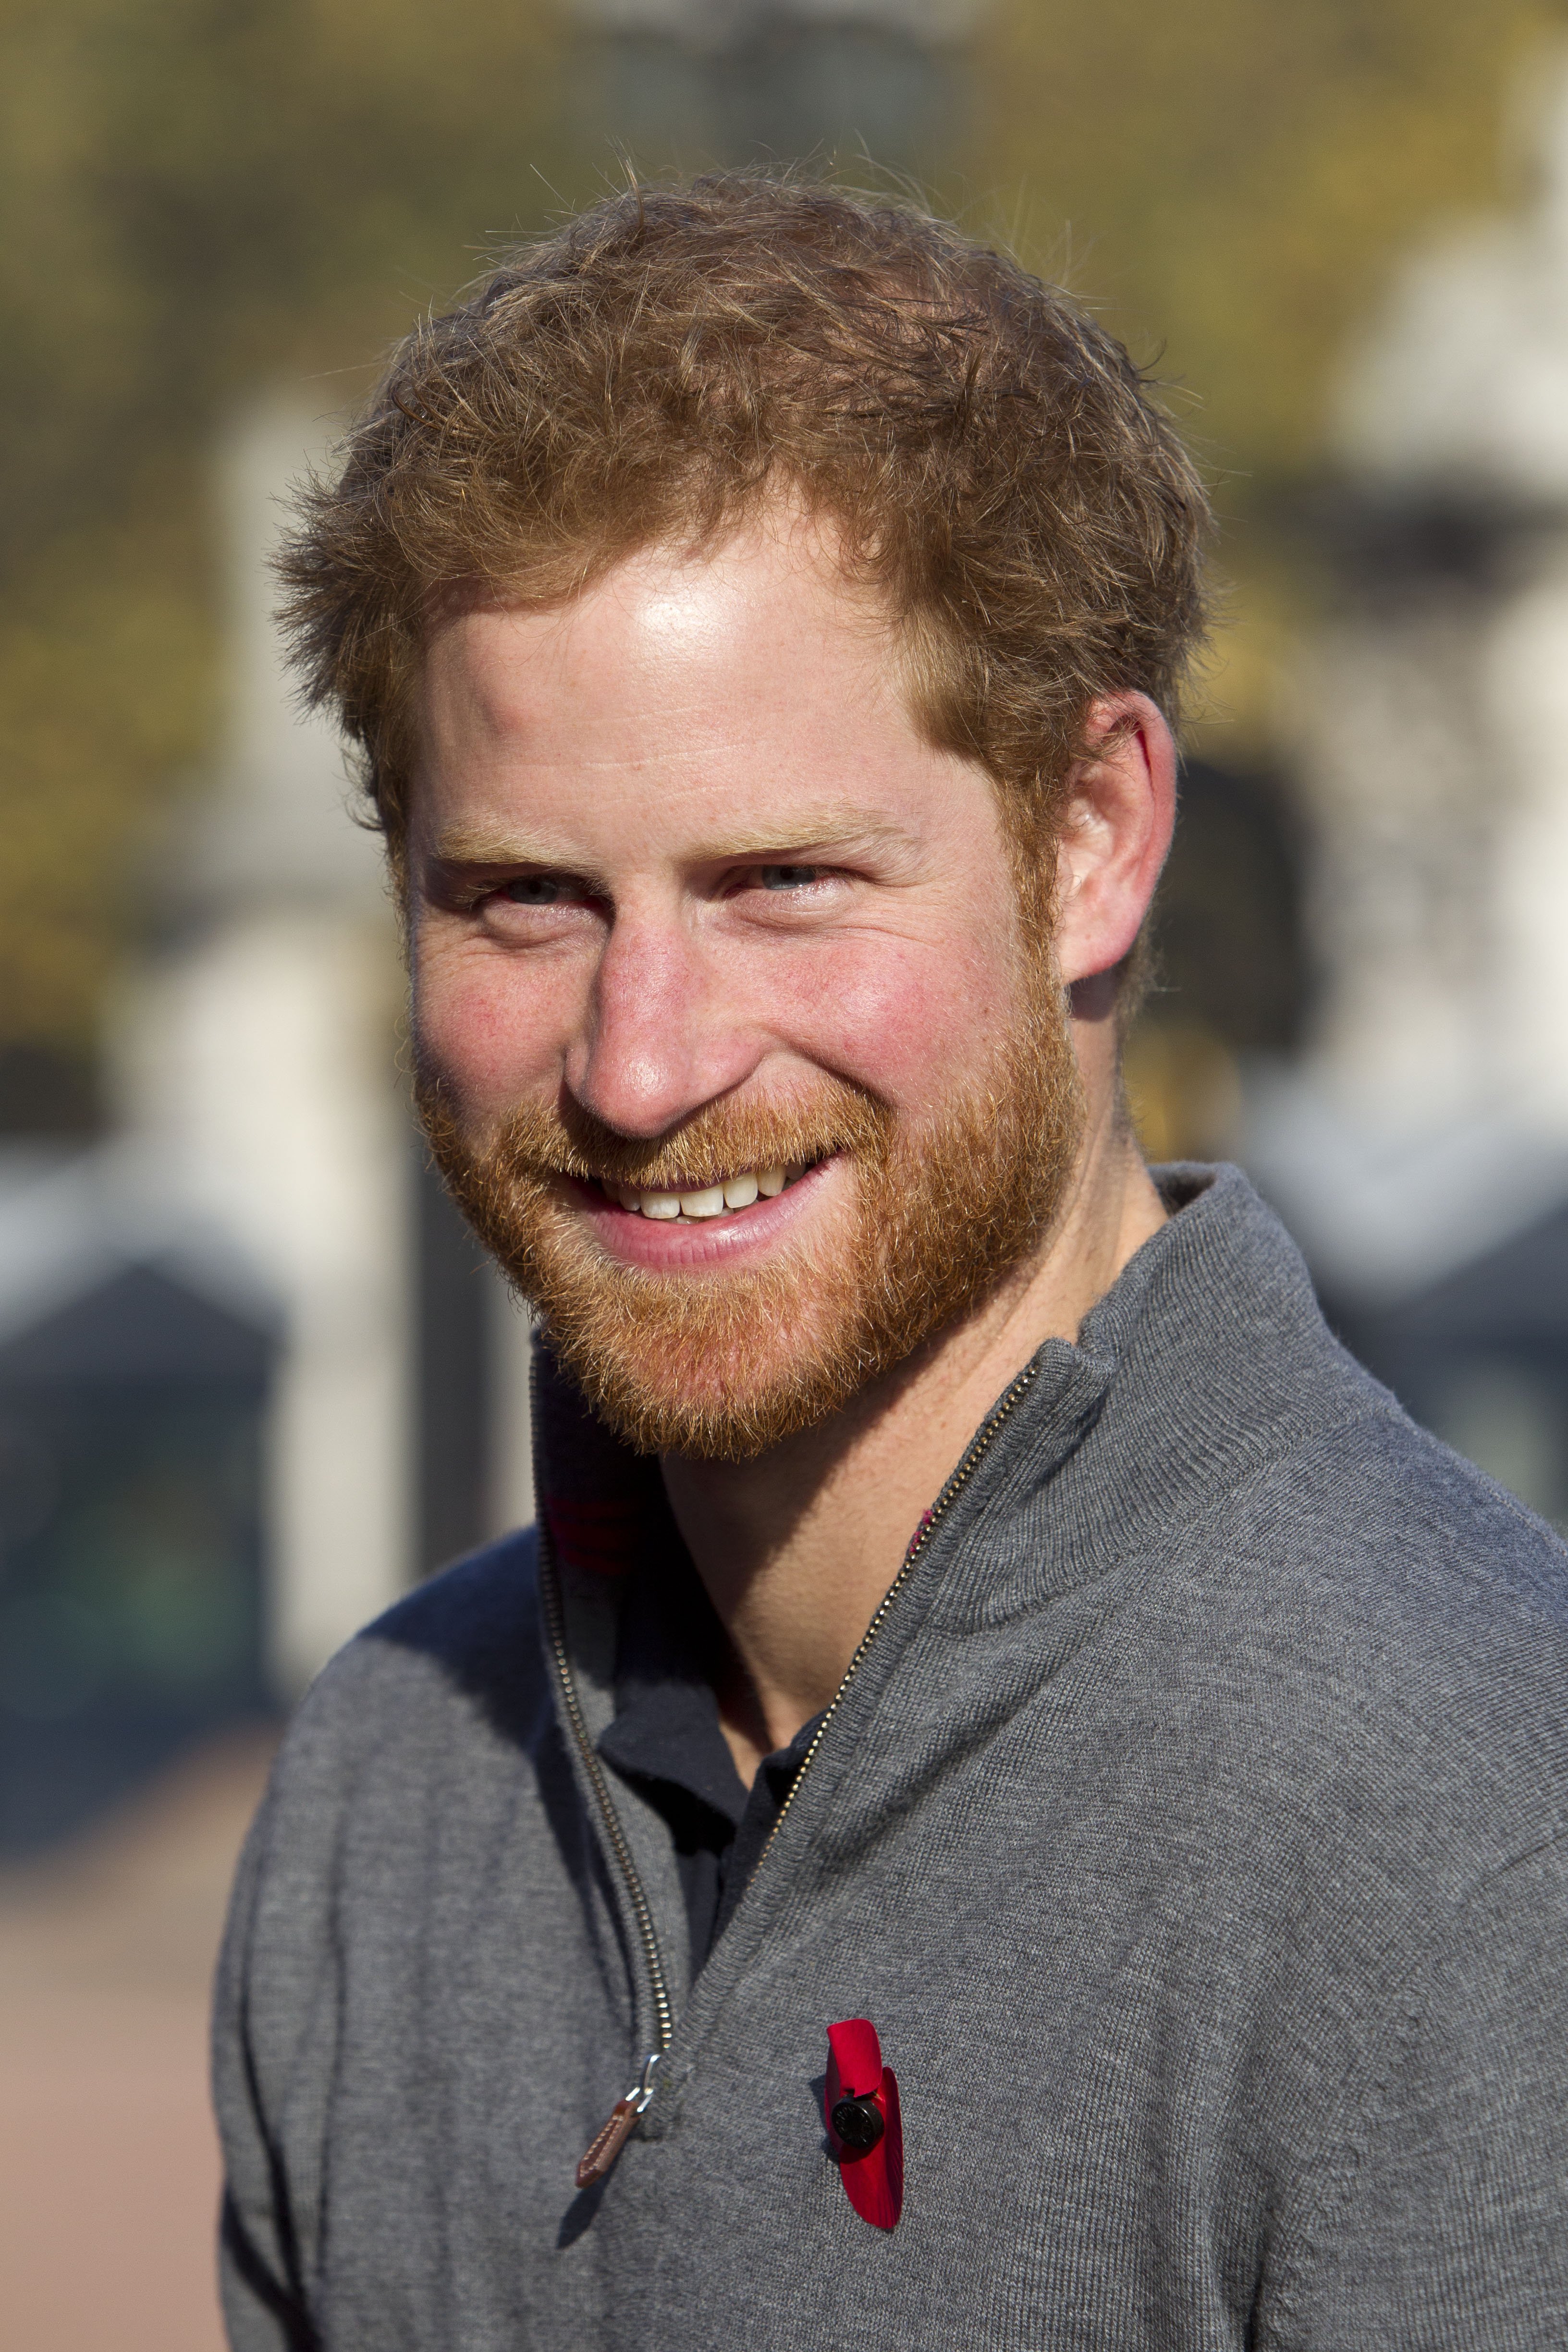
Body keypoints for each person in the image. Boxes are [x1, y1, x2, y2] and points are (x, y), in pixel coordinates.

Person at [213, 175, 1568, 2351]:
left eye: (781, 881)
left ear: (1093, 836)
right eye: (526, 902)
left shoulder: (1475, 1832)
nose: (642, 1063)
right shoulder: (387, 1801)